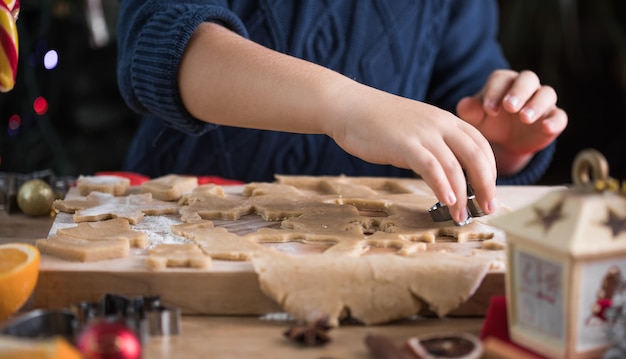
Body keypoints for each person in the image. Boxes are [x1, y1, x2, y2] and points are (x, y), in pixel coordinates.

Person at [116, 1, 568, 224]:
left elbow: (464, 101)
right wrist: (346, 106)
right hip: (182, 221)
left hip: (370, 246)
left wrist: (503, 143)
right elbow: (158, 48)